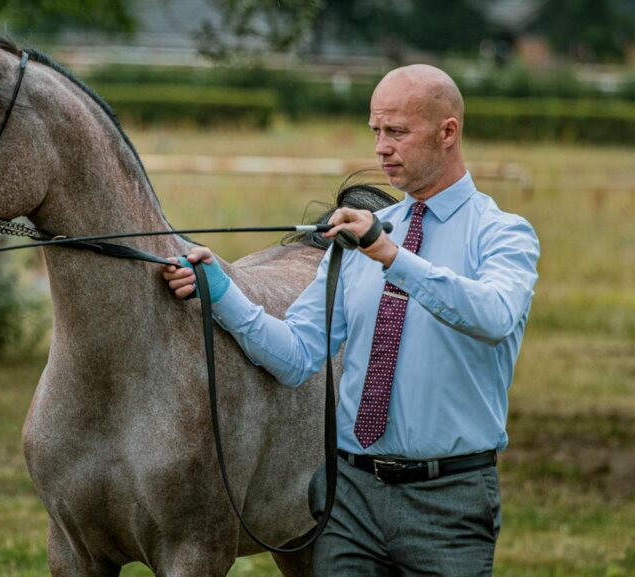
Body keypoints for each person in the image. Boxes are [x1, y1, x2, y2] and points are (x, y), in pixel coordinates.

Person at [161, 64, 540, 576]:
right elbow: (295, 355)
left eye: (397, 132)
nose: (381, 147)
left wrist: (388, 253)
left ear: (448, 132)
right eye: (376, 131)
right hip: (350, 498)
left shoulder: (503, 234)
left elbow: (494, 316)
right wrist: (222, 292)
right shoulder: (362, 240)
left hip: (448, 501)